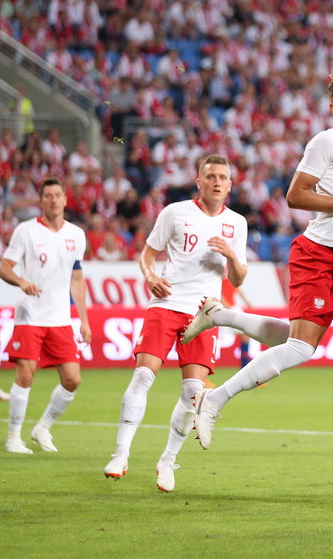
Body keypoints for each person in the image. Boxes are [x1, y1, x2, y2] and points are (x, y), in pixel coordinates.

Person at [187, 65, 333, 450]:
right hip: (317, 253)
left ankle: (219, 315)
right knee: (301, 348)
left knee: (293, 339)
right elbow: (296, 195)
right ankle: (214, 398)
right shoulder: (327, 140)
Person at [103, 154, 248, 492]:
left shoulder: (236, 223)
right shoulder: (175, 213)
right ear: (199, 181)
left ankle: (167, 461)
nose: (216, 181)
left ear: (229, 185)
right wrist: (149, 274)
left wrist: (230, 255)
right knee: (142, 375)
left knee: (193, 391)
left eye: (222, 177)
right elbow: (148, 253)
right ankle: (120, 454)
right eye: (210, 175)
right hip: (167, 303)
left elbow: (239, 279)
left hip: (204, 313)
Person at [0, 177, 91, 454]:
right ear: (41, 201)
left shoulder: (76, 235)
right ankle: (13, 437)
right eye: (48, 195)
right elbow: (5, 268)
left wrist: (84, 320)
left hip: (60, 319)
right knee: (26, 374)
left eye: (57, 195)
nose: (53, 199)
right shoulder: (26, 231)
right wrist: (21, 282)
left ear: (65, 200)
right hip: (30, 315)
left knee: (73, 379)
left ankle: (42, 428)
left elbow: (77, 279)